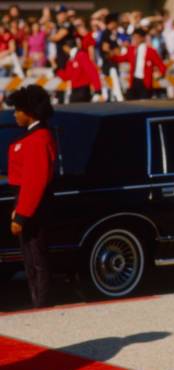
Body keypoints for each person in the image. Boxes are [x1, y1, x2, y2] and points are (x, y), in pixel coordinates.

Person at [6, 85, 56, 308]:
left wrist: (22, 215)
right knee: (32, 259)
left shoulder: (37, 139)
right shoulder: (35, 136)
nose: (15, 114)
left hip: (33, 205)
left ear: (31, 112)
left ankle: (41, 304)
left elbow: (34, 181)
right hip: (29, 201)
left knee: (36, 259)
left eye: (18, 110)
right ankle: (38, 301)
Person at [111, 28, 166, 100]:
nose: (134, 40)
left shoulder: (151, 51)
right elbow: (122, 58)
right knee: (130, 101)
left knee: (144, 103)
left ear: (142, 38)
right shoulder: (131, 50)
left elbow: (161, 65)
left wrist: (160, 74)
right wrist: (111, 56)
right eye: (134, 37)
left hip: (145, 82)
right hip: (134, 81)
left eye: (137, 37)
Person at [57, 38, 102, 103]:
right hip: (75, 90)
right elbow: (68, 76)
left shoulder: (81, 55)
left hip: (83, 90)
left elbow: (92, 72)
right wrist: (58, 71)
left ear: (66, 47)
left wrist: (97, 89)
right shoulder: (71, 58)